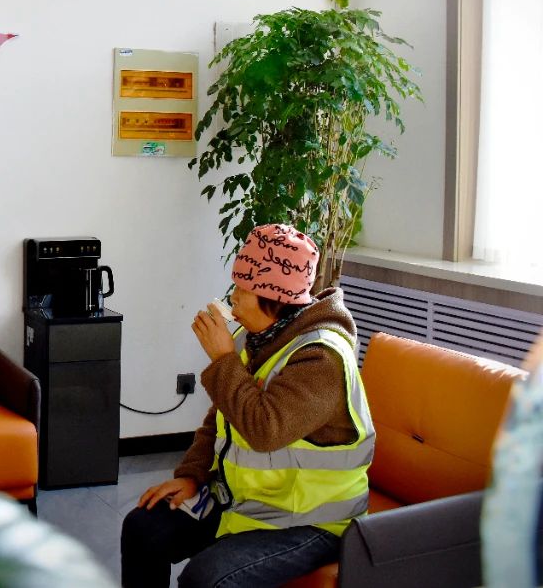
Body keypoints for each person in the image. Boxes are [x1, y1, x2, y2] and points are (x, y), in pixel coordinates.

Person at [121, 223, 374, 588]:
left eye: (243, 288)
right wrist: (192, 475)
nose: (233, 298)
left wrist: (222, 360)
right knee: (143, 528)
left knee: (206, 578)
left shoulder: (321, 358)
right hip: (247, 503)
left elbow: (264, 431)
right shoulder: (255, 338)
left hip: (310, 521)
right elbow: (220, 417)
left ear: (275, 298)